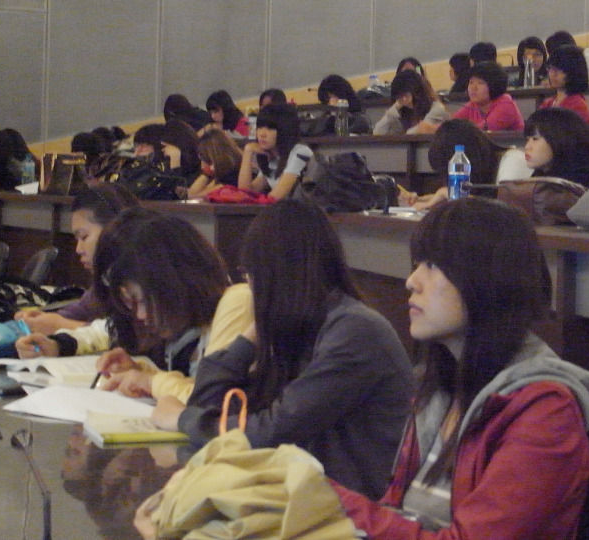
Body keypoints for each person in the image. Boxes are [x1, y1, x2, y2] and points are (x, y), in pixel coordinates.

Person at [330, 197, 589, 538]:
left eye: (432, 265)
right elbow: (395, 511)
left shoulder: (547, 412)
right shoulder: (441, 388)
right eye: (417, 264)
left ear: (488, 278)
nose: (412, 281)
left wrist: (328, 501)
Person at [150, 199, 414, 500]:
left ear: (272, 275)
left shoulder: (354, 331)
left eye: (250, 274)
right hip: (311, 497)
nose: (250, 288)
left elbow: (271, 432)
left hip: (358, 511)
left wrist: (182, 419)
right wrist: (250, 336)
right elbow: (207, 401)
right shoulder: (299, 328)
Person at [19, 209, 231, 401]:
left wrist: (151, 380)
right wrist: (58, 345)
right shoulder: (172, 323)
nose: (139, 315)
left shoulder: (227, 316)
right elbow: (108, 328)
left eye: (140, 300)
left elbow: (212, 399)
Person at [15, 183, 140, 335]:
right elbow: (80, 311)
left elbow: (138, 337)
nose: (78, 249)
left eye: (84, 237)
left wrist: (63, 325)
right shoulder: (106, 278)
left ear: (114, 229)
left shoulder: (145, 274)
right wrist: (42, 319)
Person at [398, 119, 532, 211]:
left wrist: (447, 194)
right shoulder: (481, 171)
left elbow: (503, 212)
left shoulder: (513, 162)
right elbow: (474, 197)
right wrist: (420, 200)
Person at [238, 103, 311, 199]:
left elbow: (275, 198)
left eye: (270, 128)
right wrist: (247, 152)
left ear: (284, 130)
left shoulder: (300, 152)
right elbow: (245, 193)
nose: (262, 134)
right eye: (260, 127)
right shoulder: (272, 156)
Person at [523, 108, 589, 189]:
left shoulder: (578, 182)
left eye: (535, 139)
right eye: (527, 139)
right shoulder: (542, 174)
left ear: (559, 138)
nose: (527, 147)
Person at [452, 62, 525, 132]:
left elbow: (479, 133)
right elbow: (451, 127)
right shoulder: (473, 105)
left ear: (494, 85)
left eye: (480, 83)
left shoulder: (506, 105)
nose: (473, 88)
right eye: (471, 82)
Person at [373, 70, 450, 135]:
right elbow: (378, 132)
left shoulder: (437, 109)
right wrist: (395, 107)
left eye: (406, 95)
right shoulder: (405, 111)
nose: (404, 100)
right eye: (400, 97)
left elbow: (418, 131)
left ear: (418, 92)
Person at [539, 45, 589, 124]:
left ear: (574, 72)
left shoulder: (578, 106)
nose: (553, 74)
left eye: (560, 70)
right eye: (551, 68)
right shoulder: (547, 104)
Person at [187, 128, 242, 199]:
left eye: (204, 159)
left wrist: (208, 172)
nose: (202, 166)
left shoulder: (231, 176)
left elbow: (193, 195)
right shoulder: (227, 172)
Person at [159, 119, 201, 187]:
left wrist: (175, 158)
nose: (164, 150)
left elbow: (178, 190)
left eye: (166, 146)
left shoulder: (199, 166)